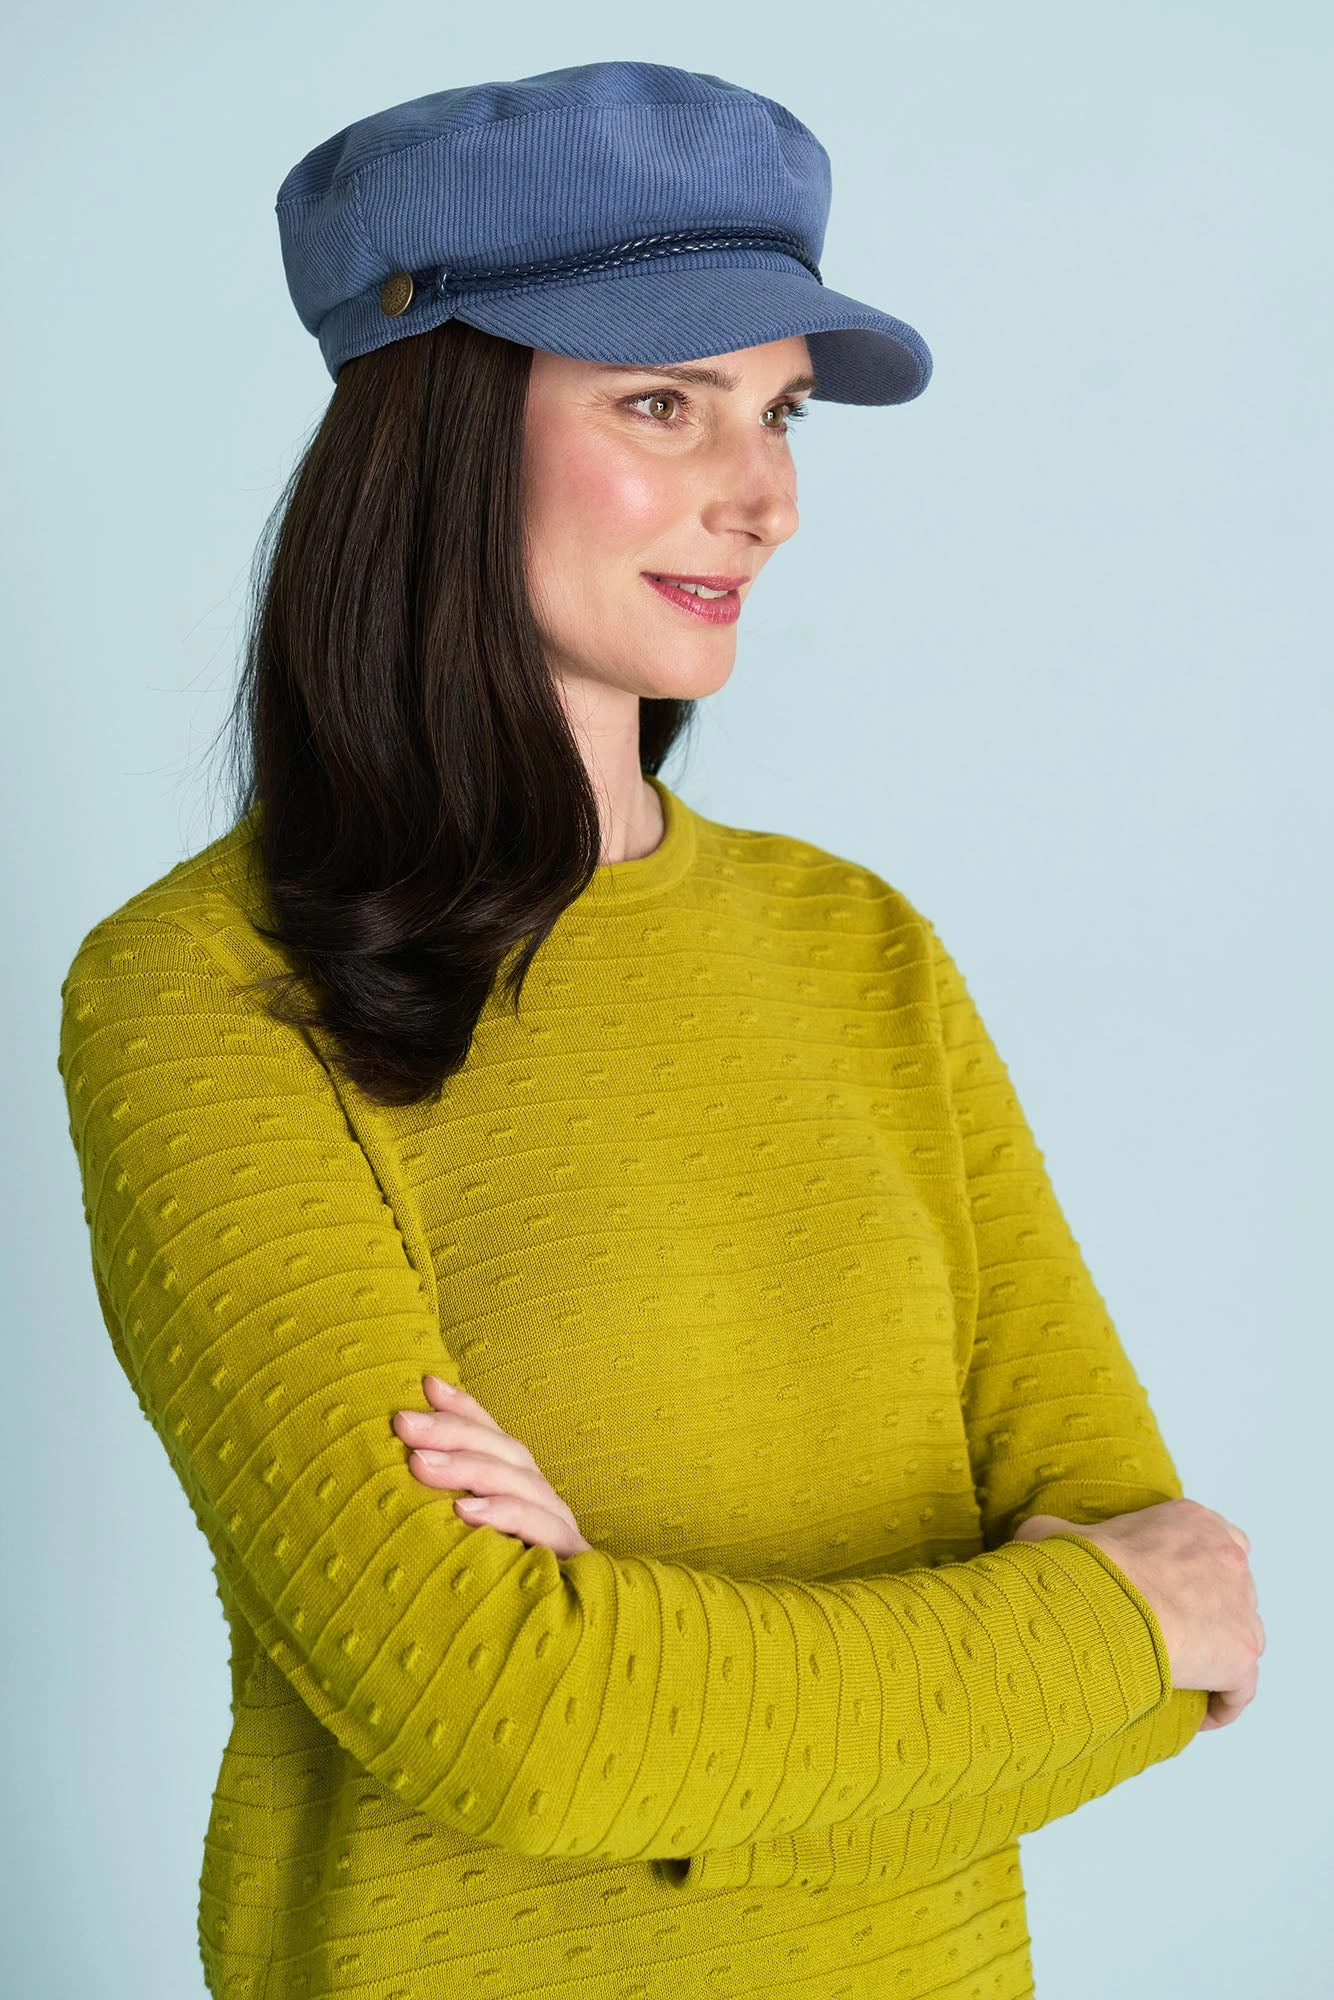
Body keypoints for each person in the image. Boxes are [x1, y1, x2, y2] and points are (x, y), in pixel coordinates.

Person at [57, 59, 1262, 2000]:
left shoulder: (860, 952)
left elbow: (1182, 1650)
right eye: (658, 401)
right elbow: (519, 1731)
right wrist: (1042, 1634)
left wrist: (632, 1645)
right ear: (444, 429)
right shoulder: (204, 991)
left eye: (777, 411)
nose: (762, 497)